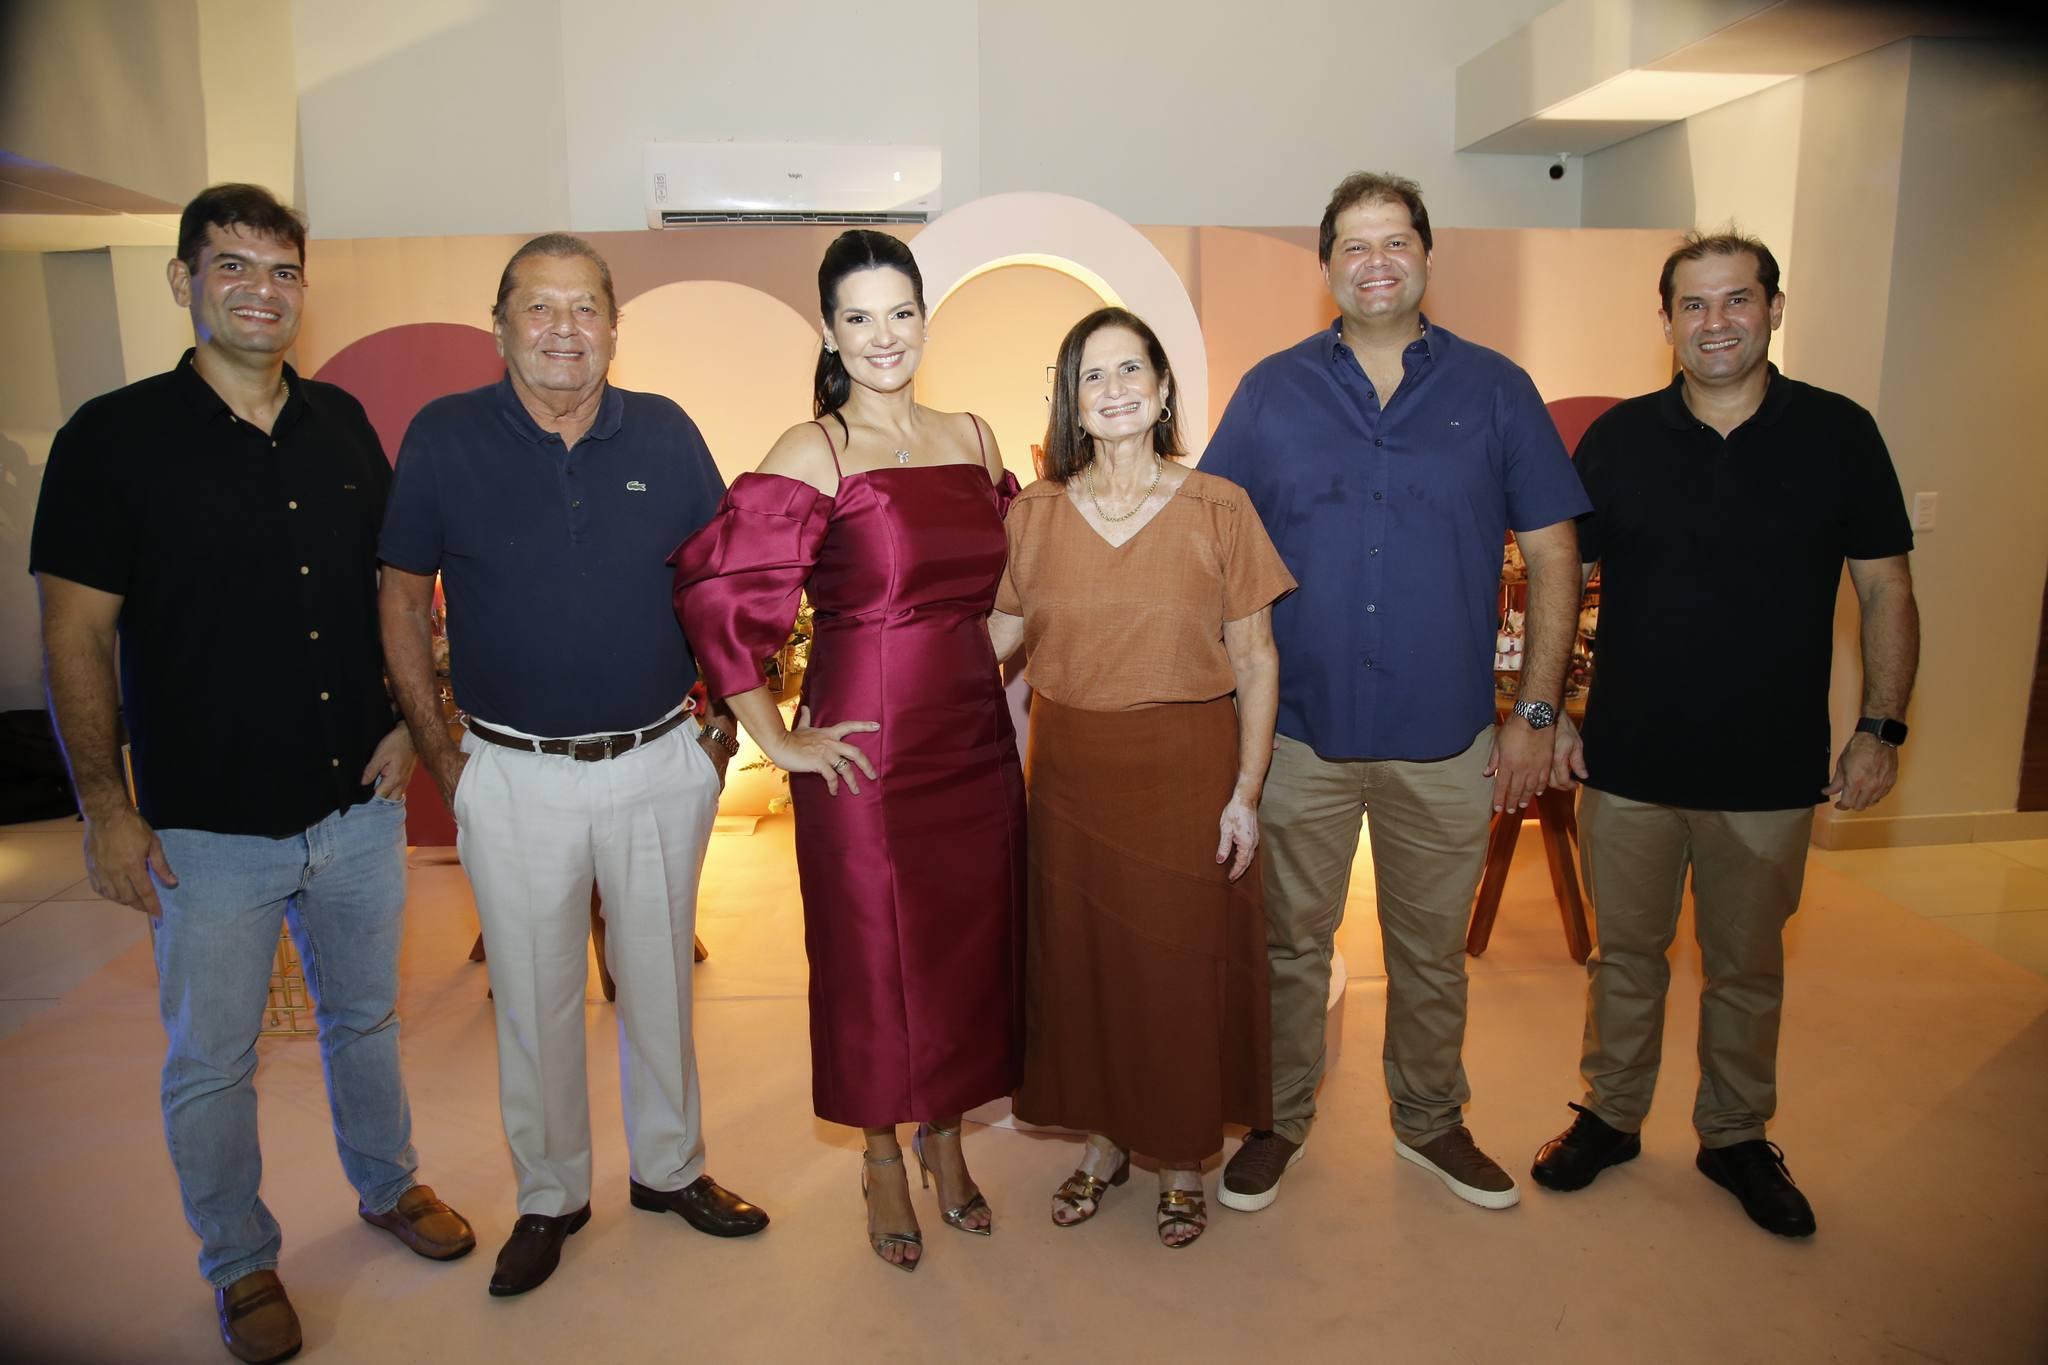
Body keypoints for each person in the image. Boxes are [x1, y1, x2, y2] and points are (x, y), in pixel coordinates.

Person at [30, 183, 474, 1365]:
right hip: (207, 829)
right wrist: (106, 809)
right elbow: (74, 638)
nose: (259, 292)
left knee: (364, 1020)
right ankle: (238, 1261)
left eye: (280, 270)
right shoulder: (110, 441)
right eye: (231, 266)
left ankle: (387, 1186)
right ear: (184, 280)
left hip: (356, 806)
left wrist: (410, 722)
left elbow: (395, 595)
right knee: (213, 1062)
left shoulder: (342, 424)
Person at [379, 233, 767, 1299]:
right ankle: (549, 1197)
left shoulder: (666, 431)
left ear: (613, 326)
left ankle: (670, 1169)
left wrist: (719, 731)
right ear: (500, 324)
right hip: (511, 773)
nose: (564, 328)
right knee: (534, 999)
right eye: (539, 307)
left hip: (656, 760)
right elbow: (401, 600)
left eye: (585, 307)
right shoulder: (445, 436)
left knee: (659, 982)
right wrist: (442, 753)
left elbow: (720, 585)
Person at [1200, 171, 1591, 1214]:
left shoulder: (1496, 390)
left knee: (1430, 953)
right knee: (1288, 947)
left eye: (1395, 241)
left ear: (1425, 254)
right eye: (1354, 245)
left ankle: (1428, 1121)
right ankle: (1278, 1119)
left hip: (1446, 739)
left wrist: (1535, 713)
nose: (1375, 262)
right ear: (1326, 265)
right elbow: (1211, 549)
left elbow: (1555, 556)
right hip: (1298, 737)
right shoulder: (1270, 391)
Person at [1529, 230, 1918, 1238]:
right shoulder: (1618, 439)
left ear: (1773, 309)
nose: (1715, 323)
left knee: (1744, 967)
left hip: (1768, 767)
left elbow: (1884, 589)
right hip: (1628, 759)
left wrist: (1879, 727)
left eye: (1736, 300)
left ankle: (1734, 1136)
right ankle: (1610, 1115)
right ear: (1665, 320)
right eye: (1693, 305)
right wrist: (1552, 709)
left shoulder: (1838, 433)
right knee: (1625, 956)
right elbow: (1565, 577)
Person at [672, 229, 1023, 1273]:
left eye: (900, 312)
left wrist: (986, 661)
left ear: (925, 320)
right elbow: (714, 594)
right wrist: (775, 737)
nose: (883, 336)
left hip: (971, 742)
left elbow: (1015, 585)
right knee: (873, 962)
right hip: (864, 756)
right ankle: (879, 1157)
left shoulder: (974, 436)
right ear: (829, 332)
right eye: (859, 317)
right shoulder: (812, 449)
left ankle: (946, 1139)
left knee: (965, 950)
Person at [989, 307, 1293, 1248]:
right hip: (1069, 777)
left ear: (1162, 391)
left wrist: (1245, 792)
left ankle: (1180, 1157)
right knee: (1084, 970)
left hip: (1186, 772)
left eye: (1132, 370)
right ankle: (1104, 1144)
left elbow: (1256, 658)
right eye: (1093, 374)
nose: (1114, 389)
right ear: (1070, 399)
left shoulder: (1220, 507)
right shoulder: (1033, 514)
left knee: (1174, 971)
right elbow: (995, 640)